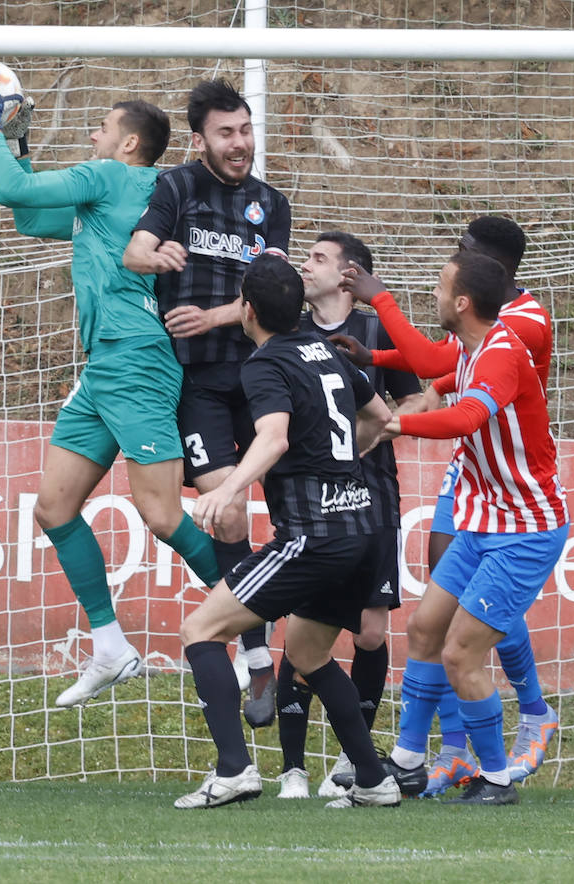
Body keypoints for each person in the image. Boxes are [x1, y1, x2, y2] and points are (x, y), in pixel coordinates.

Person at [0, 62, 222, 707]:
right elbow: (24, 211)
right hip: (104, 365)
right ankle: (109, 646)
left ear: (129, 143)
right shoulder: (119, 198)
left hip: (134, 359)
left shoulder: (113, 177)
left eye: (102, 129)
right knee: (53, 509)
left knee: (161, 515)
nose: (94, 138)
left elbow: (7, 190)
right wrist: (15, 144)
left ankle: (253, 626)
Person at [335, 216, 560, 796]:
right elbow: (433, 363)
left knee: (462, 651)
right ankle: (410, 759)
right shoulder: (473, 341)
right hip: (486, 516)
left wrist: (396, 423)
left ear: (463, 300)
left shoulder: (508, 344)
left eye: (439, 287)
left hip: (525, 524)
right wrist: (375, 355)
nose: (433, 294)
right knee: (427, 626)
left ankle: (495, 775)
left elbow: (468, 416)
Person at [175, 255, 398, 809]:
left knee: (200, 629)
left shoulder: (264, 363)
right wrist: (348, 456)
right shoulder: (330, 350)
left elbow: (273, 439)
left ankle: (234, 770)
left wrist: (226, 492)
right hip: (364, 527)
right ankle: (373, 780)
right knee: (308, 652)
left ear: (247, 311)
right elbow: (381, 417)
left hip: (313, 534)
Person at [124, 78, 292, 726]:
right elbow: (136, 248)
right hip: (196, 383)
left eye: (245, 131)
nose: (240, 144)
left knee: (290, 514)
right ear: (200, 140)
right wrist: (151, 253)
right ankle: (256, 660)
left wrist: (218, 315)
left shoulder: (268, 204)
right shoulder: (177, 189)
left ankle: (285, 649)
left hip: (261, 375)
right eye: (227, 133)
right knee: (224, 512)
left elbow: (275, 288)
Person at [274, 232, 422, 800]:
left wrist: (376, 431)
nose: (305, 266)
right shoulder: (290, 332)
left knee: (369, 631)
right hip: (311, 503)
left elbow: (416, 399)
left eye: (317, 259)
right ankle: (291, 768)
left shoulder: (377, 332)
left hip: (375, 496)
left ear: (348, 275)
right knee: (305, 629)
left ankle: (350, 760)